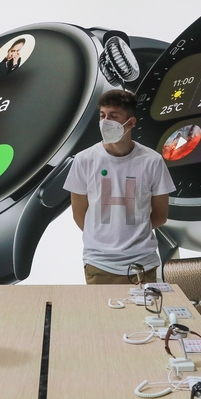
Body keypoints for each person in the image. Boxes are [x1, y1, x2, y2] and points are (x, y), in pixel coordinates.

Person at [63, 89, 176, 284]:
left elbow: (160, 215)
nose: (105, 122)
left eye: (113, 117)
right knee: (103, 315)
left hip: (143, 263)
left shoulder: (152, 161)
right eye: (102, 116)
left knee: (146, 314)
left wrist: (133, 235)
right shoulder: (83, 160)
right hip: (99, 262)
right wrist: (103, 238)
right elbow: (79, 213)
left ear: (130, 122)